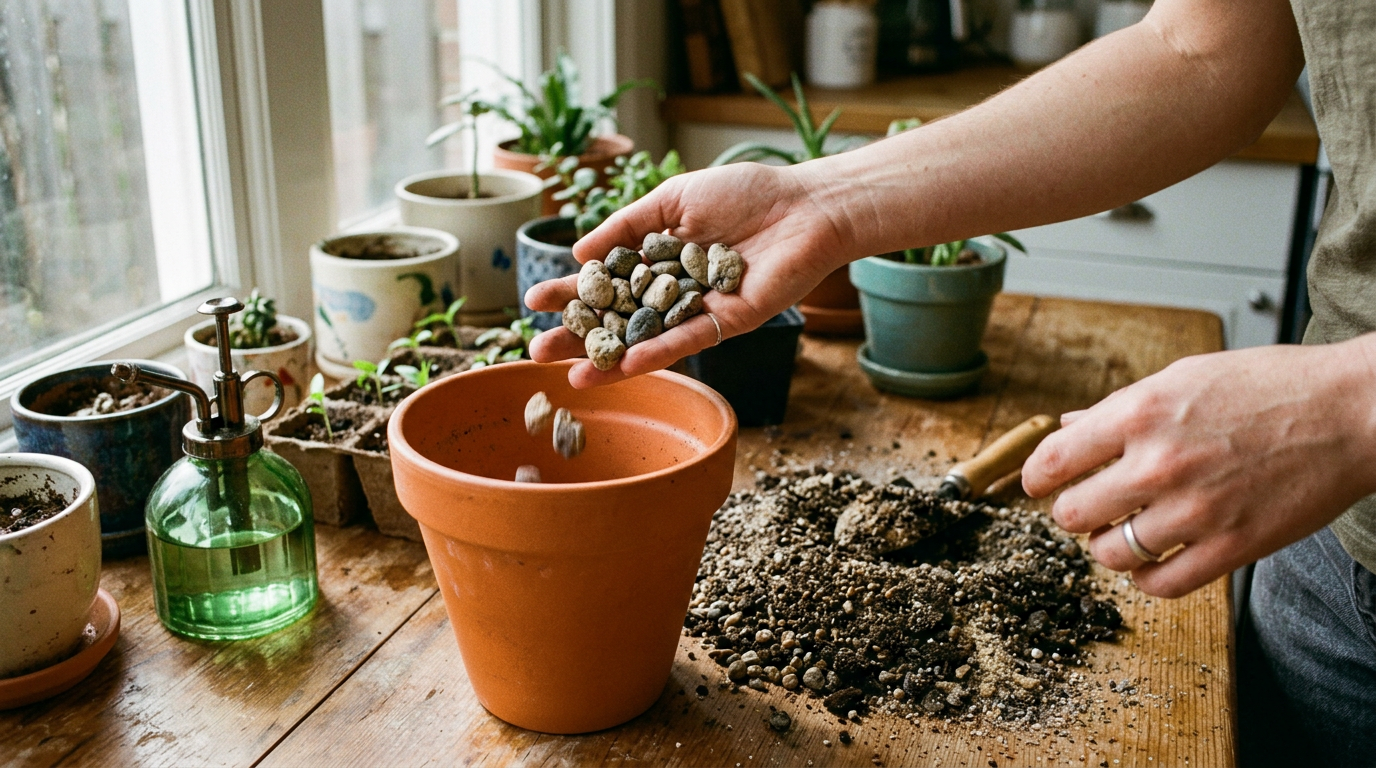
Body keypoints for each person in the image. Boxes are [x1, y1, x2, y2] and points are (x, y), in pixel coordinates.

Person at [524, 0, 1376, 761]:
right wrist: (823, 202)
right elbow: (1199, 51)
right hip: (1327, 549)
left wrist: (1350, 404)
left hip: (1317, 447)